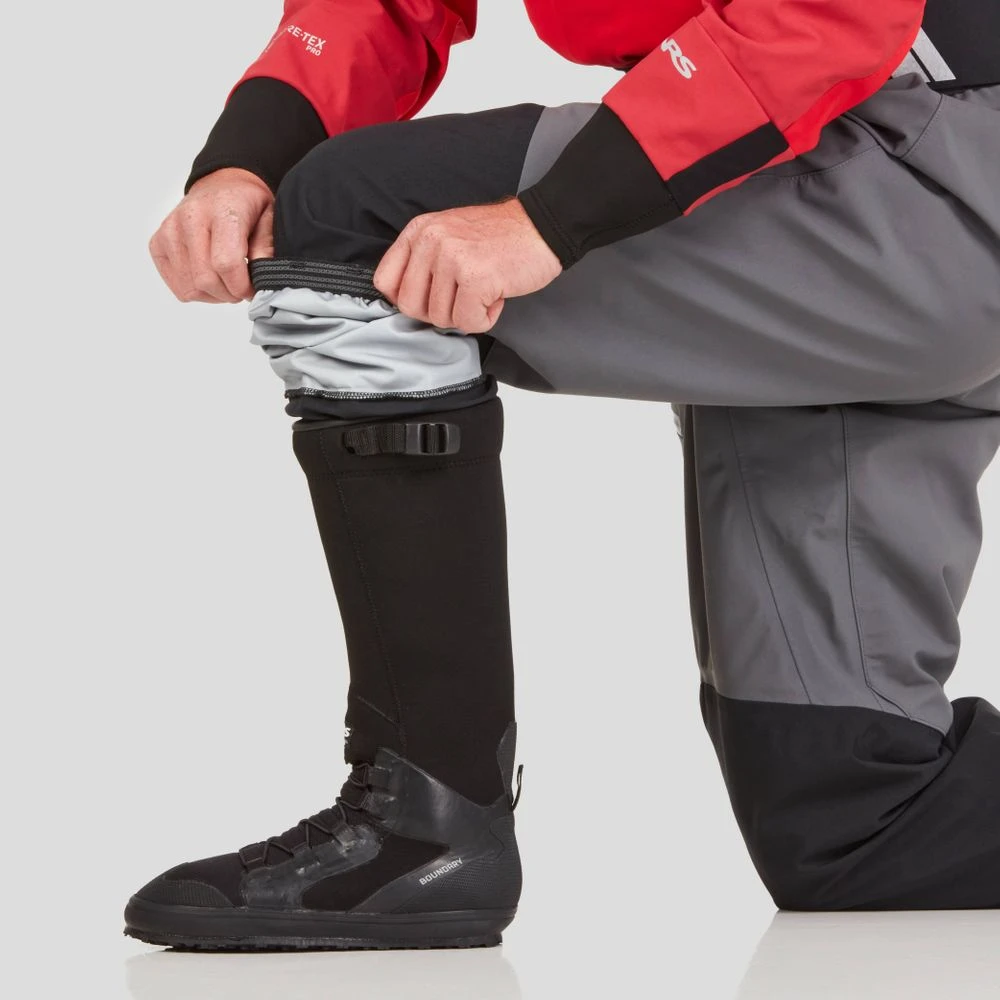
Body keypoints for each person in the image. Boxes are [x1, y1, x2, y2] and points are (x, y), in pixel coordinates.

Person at [125, 0, 1000, 951]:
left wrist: (550, 219)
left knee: (359, 222)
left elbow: (827, 13)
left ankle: (425, 829)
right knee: (858, 817)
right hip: (833, 145)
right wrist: (247, 158)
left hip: (925, 157)